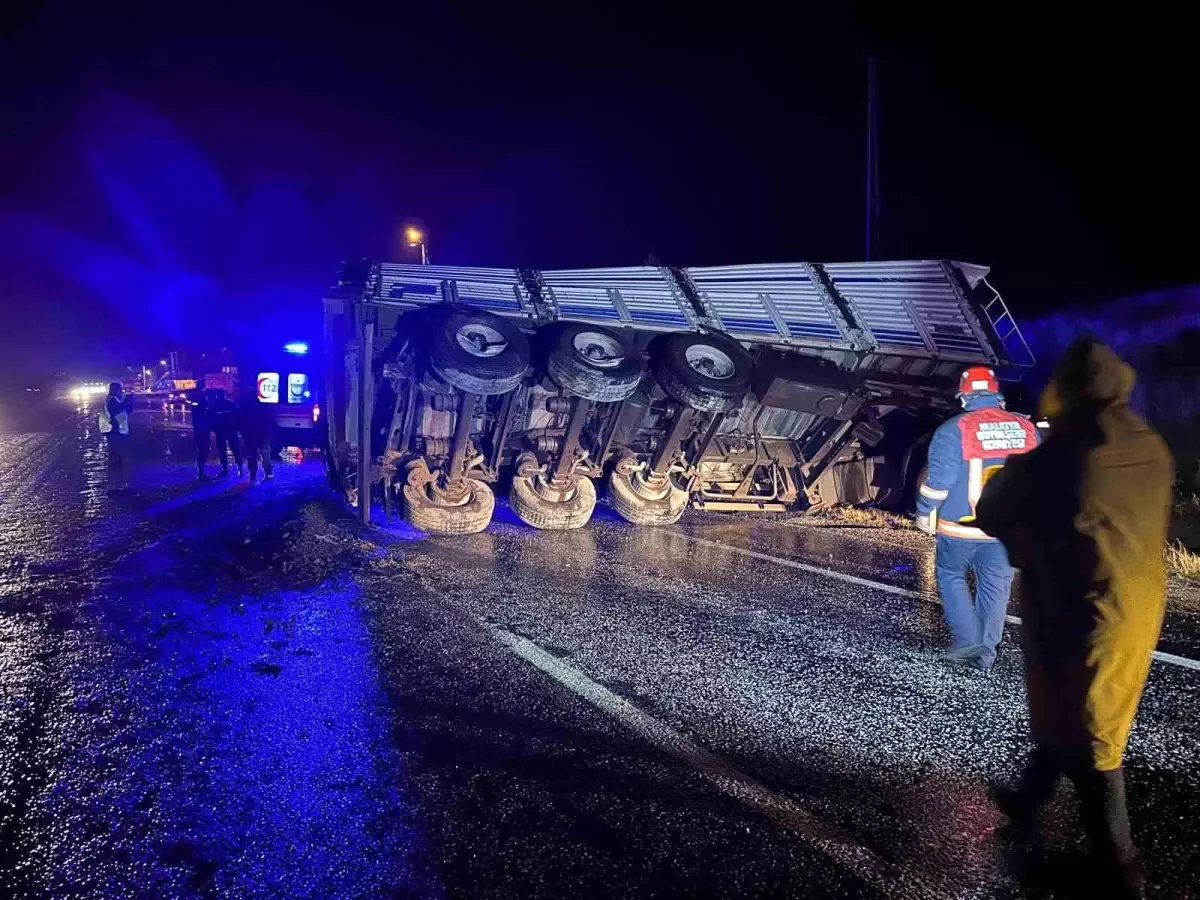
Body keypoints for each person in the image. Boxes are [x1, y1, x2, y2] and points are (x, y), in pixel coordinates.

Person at [976, 340, 1172, 899]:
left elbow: (995, 510)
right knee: (1076, 708)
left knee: (1092, 731)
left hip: (1076, 606)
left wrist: (1017, 467)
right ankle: (1028, 800)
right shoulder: (1148, 444)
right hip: (1132, 602)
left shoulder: (1066, 450)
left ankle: (1120, 868)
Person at [915, 365, 1039, 671]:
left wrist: (923, 512)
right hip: (1007, 531)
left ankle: (968, 640)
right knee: (995, 589)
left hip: (961, 528)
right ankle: (984, 656)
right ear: (998, 395)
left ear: (963, 397)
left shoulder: (952, 430)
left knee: (951, 575)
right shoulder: (1027, 430)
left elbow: (937, 484)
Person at [98, 381, 136, 492]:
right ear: (115, 390)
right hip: (115, 433)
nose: (121, 392)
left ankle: (114, 484)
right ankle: (124, 484)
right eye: (120, 390)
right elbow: (117, 409)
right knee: (125, 458)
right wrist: (127, 401)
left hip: (117, 433)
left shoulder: (116, 400)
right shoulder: (111, 400)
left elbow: (126, 411)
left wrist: (131, 402)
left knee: (115, 459)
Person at [239, 392, 276, 482]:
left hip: (250, 436)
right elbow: (271, 421)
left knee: (252, 457)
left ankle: (253, 477)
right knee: (265, 456)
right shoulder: (263, 407)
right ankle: (268, 473)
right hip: (262, 435)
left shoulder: (244, 408)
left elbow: (239, 422)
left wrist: (243, 433)